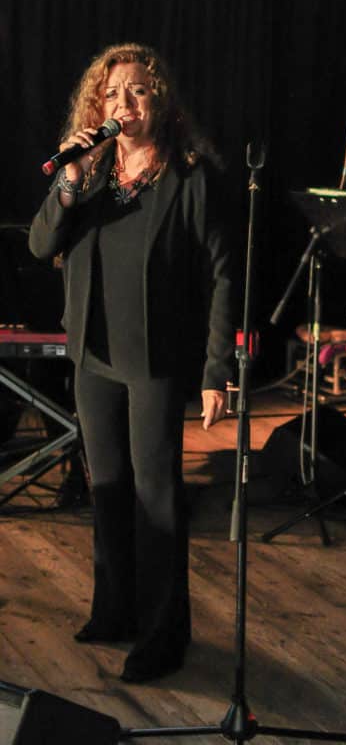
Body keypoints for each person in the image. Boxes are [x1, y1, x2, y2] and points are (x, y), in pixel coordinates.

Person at [29, 43, 234, 683]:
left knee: (157, 499)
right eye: (113, 94)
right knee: (109, 490)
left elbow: (224, 276)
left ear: (159, 100)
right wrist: (68, 179)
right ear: (98, 106)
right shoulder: (90, 173)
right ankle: (114, 610)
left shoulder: (190, 178)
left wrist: (217, 369)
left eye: (138, 91)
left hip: (155, 361)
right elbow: (40, 243)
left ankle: (163, 634)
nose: (125, 103)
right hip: (94, 356)